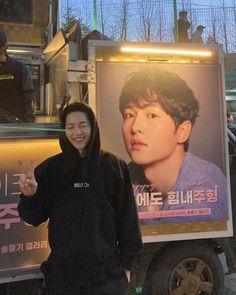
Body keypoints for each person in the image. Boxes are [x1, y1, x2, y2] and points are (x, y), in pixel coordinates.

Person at [17, 102, 143, 295]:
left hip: (107, 277)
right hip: (63, 277)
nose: (77, 132)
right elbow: (33, 218)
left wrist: (126, 268)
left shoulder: (113, 167)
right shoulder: (51, 169)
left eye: (83, 125)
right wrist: (30, 196)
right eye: (70, 127)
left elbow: (129, 221)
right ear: (64, 131)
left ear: (93, 127)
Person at [119, 67, 228, 225]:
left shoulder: (206, 183)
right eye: (130, 115)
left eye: (152, 115)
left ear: (182, 131)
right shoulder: (122, 178)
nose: (135, 127)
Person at [0, 29, 35, 123]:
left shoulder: (19, 68)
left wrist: (29, 121)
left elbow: (28, 95)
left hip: (15, 125)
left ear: (4, 47)